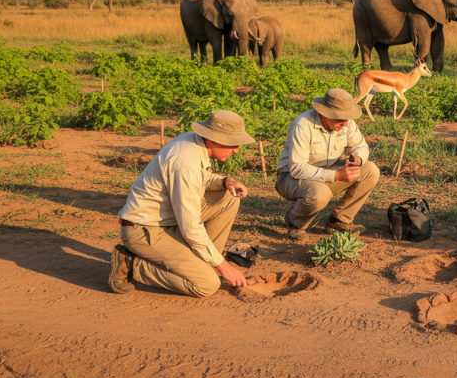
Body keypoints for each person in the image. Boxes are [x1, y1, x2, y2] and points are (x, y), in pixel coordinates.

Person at [109, 110, 255, 297]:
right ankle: (131, 264)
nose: (236, 150)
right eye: (233, 144)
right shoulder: (186, 163)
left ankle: (202, 261)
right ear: (215, 140)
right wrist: (224, 266)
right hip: (145, 229)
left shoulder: (192, 140)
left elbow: (199, 178)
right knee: (207, 284)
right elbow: (191, 227)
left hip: (167, 220)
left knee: (228, 197)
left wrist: (224, 181)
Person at [275, 88, 380, 241]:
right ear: (325, 113)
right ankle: (295, 224)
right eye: (340, 118)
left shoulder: (346, 123)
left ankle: (339, 220)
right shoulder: (302, 125)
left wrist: (358, 158)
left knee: (370, 170)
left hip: (327, 171)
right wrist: (336, 175)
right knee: (320, 193)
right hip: (290, 178)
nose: (345, 123)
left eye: (347, 118)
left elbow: (361, 146)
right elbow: (297, 168)